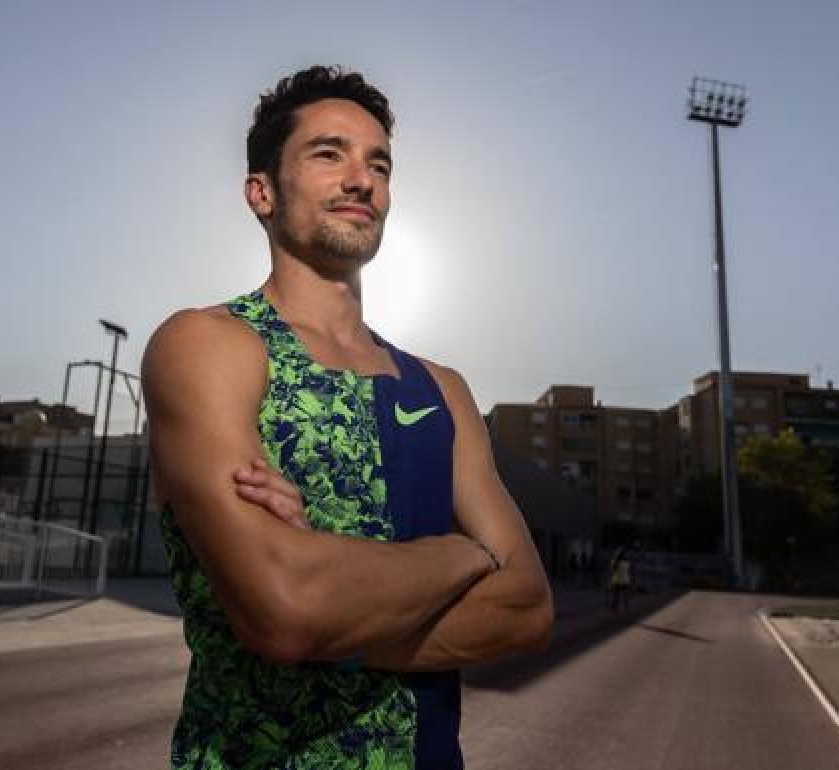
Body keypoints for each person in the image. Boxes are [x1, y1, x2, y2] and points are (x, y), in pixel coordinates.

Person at [142, 65, 554, 769]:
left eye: (379, 164)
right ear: (263, 192)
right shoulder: (209, 345)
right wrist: (464, 555)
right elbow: (286, 606)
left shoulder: (443, 389)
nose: (362, 180)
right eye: (329, 154)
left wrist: (332, 603)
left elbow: (528, 608)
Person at [608, 546, 632, 615]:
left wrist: (609, 581)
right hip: (625, 581)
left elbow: (612, 571)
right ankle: (626, 609)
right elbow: (629, 571)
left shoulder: (614, 562)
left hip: (616, 581)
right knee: (625, 596)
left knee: (616, 596)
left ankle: (614, 609)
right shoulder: (627, 562)